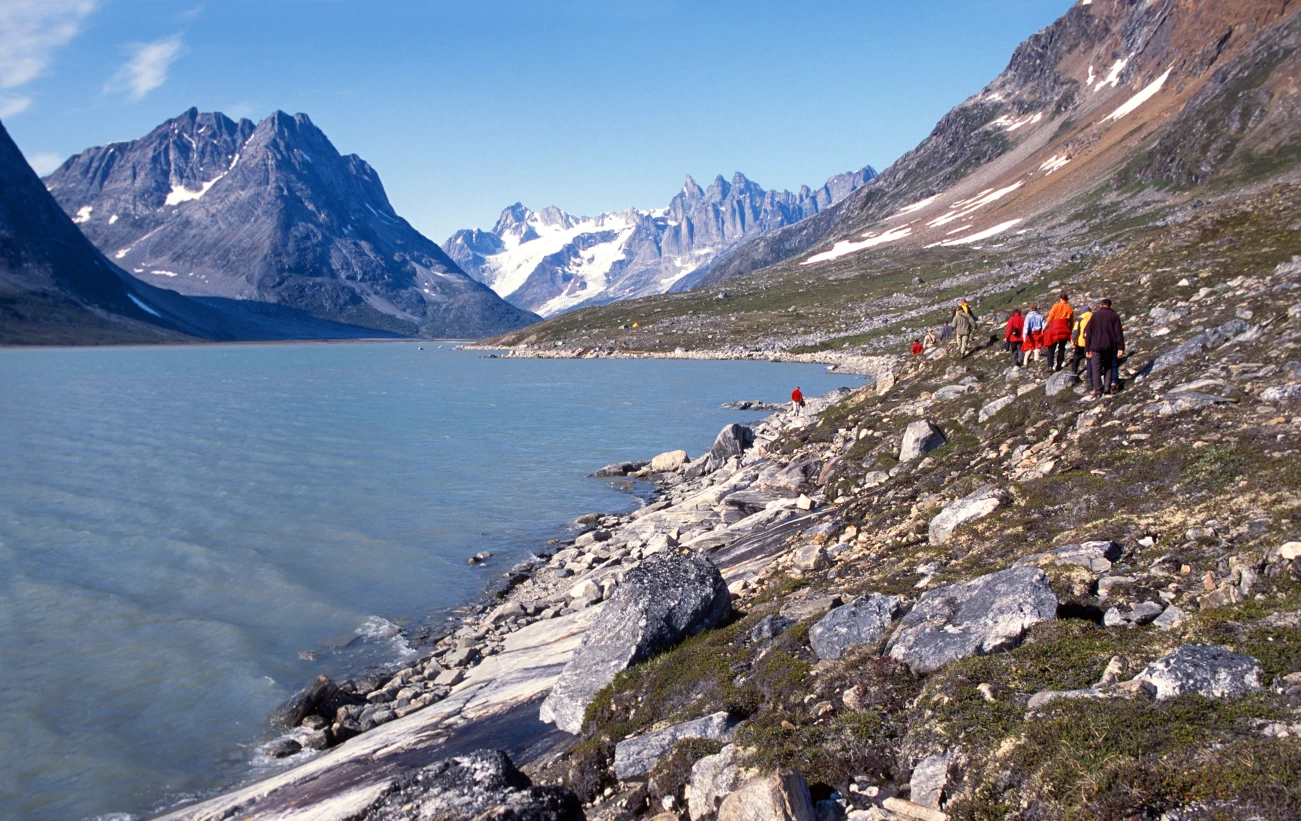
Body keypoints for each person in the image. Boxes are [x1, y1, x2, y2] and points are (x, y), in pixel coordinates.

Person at [1084, 299, 1125, 398]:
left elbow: (1088, 333)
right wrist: (1120, 347)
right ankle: (1107, 387)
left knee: (1096, 368)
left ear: (1101, 305)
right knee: (1108, 366)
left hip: (1095, 346)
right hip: (1109, 346)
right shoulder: (1114, 316)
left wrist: (1087, 348)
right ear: (1110, 306)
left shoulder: (1094, 316)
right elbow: (1118, 333)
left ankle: (1098, 390)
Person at [1043, 292, 1075, 372]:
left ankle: (1050, 365)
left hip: (1055, 327)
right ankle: (1059, 365)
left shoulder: (1056, 306)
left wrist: (1045, 325)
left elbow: (1051, 316)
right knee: (1062, 348)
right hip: (1064, 328)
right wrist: (1070, 330)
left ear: (1060, 298)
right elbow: (1071, 322)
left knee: (1051, 348)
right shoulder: (1069, 308)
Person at [1070, 304, 1094, 384]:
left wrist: (1073, 341)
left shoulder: (1080, 318)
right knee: (1090, 358)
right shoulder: (1094, 316)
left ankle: (1074, 372)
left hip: (1081, 342)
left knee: (1076, 358)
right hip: (1091, 342)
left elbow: (1076, 330)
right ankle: (1090, 374)